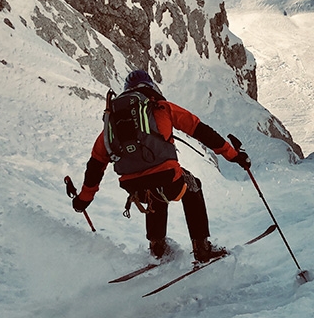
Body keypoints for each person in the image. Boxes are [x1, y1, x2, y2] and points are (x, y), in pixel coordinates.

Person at [70, 69, 251, 264]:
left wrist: (83, 199)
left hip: (134, 188)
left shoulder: (111, 124)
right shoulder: (161, 107)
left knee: (153, 193)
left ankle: (157, 248)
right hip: (168, 179)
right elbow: (201, 131)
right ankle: (202, 247)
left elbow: (96, 164)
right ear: (151, 88)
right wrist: (233, 156)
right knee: (192, 185)